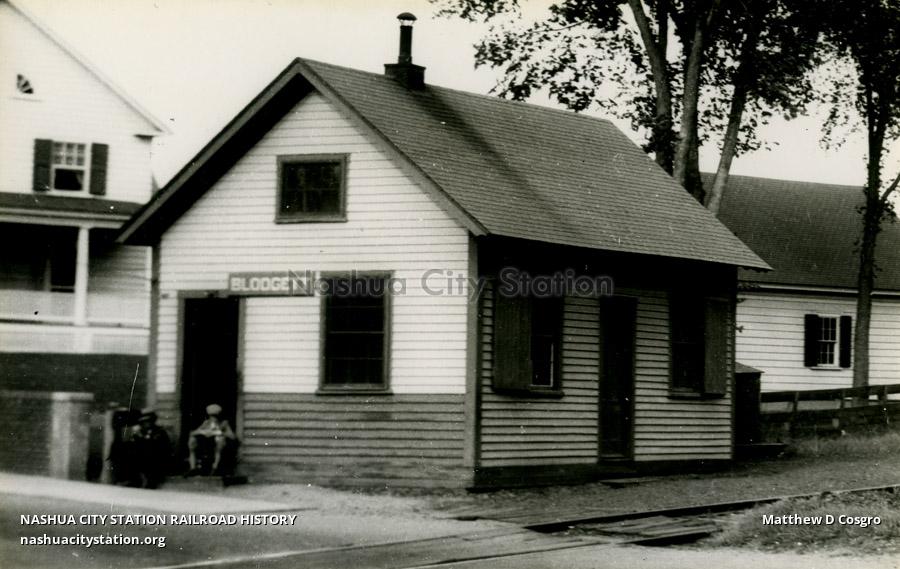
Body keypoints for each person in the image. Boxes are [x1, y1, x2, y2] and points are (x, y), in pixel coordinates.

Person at [187, 403, 236, 475]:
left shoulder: (224, 423)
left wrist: (220, 433)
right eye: (211, 416)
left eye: (215, 416)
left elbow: (232, 436)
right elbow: (193, 433)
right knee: (192, 440)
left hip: (218, 446)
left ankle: (215, 467)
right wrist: (202, 431)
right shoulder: (206, 423)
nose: (213, 418)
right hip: (207, 444)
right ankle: (193, 468)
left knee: (220, 440)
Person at [131, 408, 172, 488]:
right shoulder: (139, 432)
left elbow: (165, 447)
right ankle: (138, 479)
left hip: (156, 458)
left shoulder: (160, 431)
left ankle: (150, 480)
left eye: (148, 421)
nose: (147, 424)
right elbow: (135, 445)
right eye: (144, 422)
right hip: (142, 458)